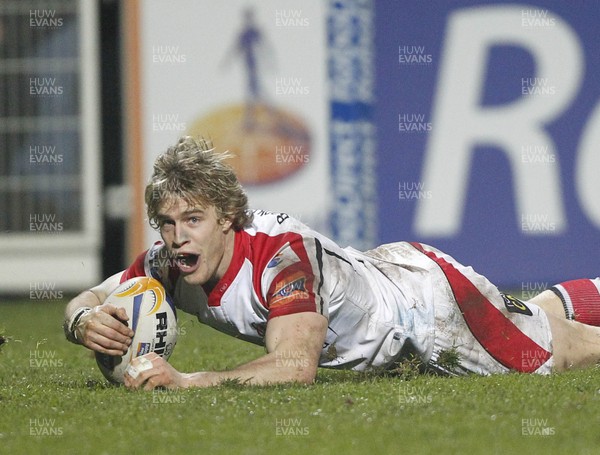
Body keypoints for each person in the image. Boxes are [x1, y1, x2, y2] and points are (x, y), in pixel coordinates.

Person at [64, 136, 600, 390]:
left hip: (430, 314)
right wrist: (83, 321)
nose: (177, 238)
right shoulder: (171, 262)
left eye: (193, 220)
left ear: (227, 215)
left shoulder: (281, 259)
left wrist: (186, 382)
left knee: (562, 357)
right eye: (165, 222)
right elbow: (91, 297)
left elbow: (295, 368)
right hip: (390, 277)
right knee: (532, 318)